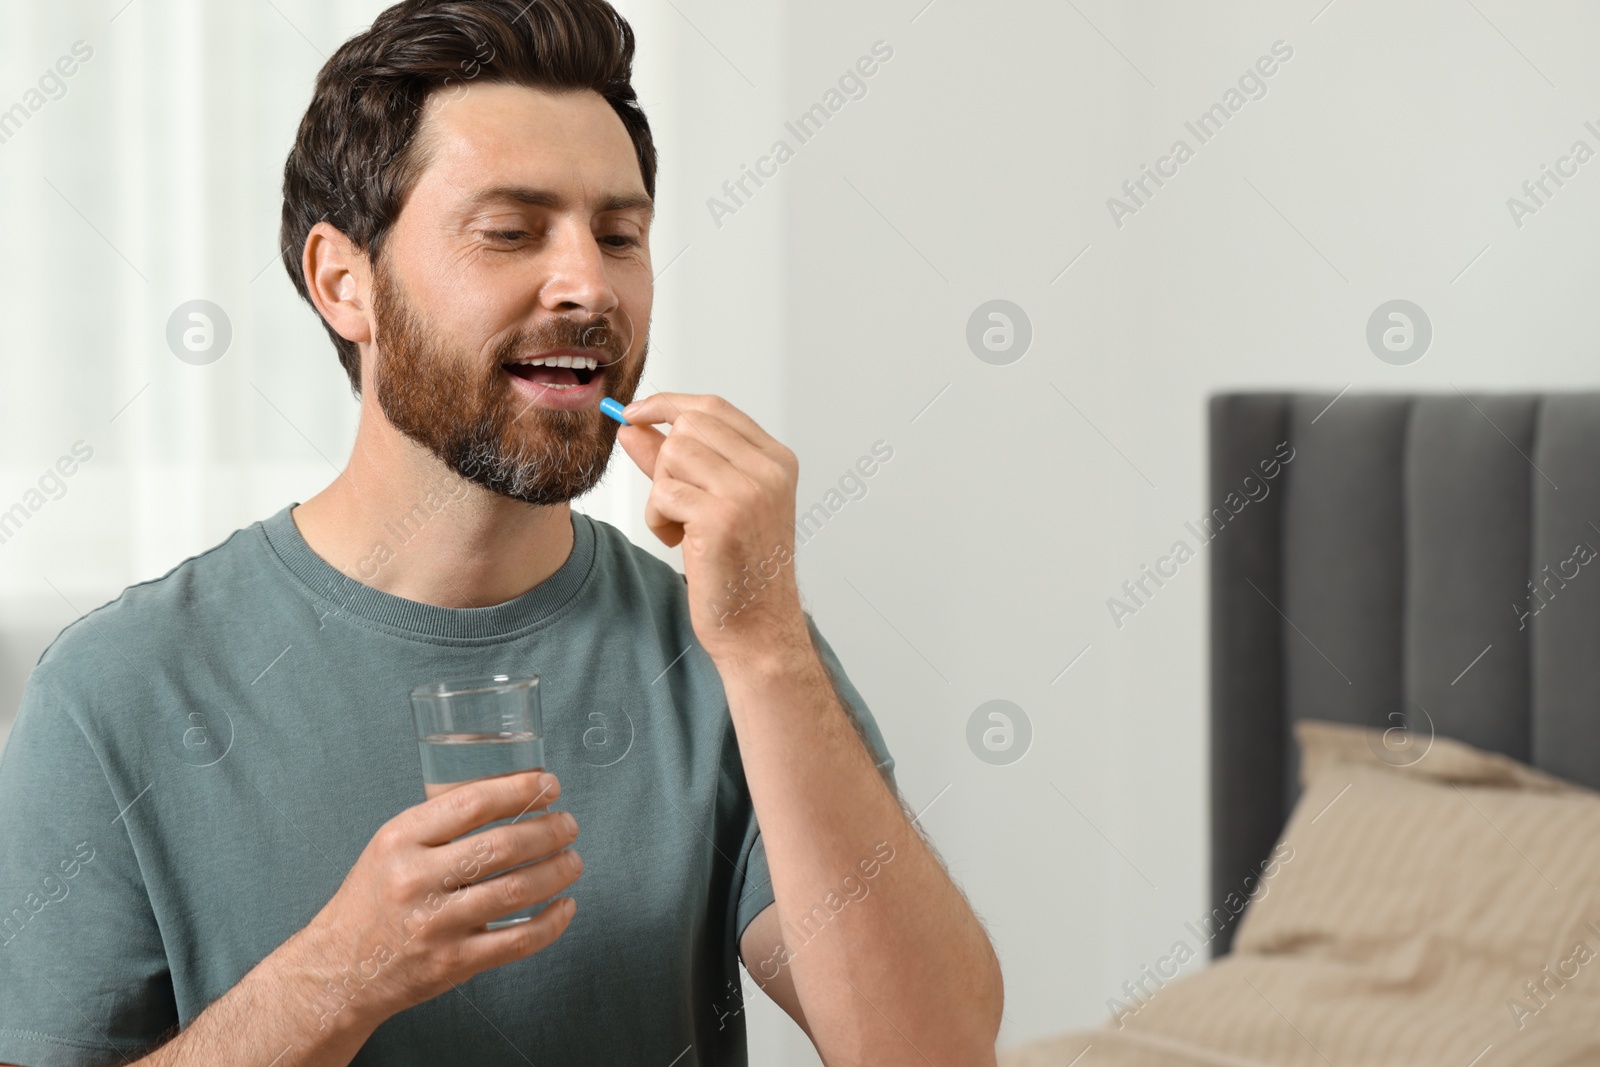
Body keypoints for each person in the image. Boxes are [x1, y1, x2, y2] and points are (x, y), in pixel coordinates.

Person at [0, 1, 1003, 1064]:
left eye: (619, 236)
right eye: (512, 231)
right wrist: (336, 976)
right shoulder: (118, 689)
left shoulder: (730, 646)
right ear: (346, 284)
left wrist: (763, 642)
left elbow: (931, 1050)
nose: (587, 284)